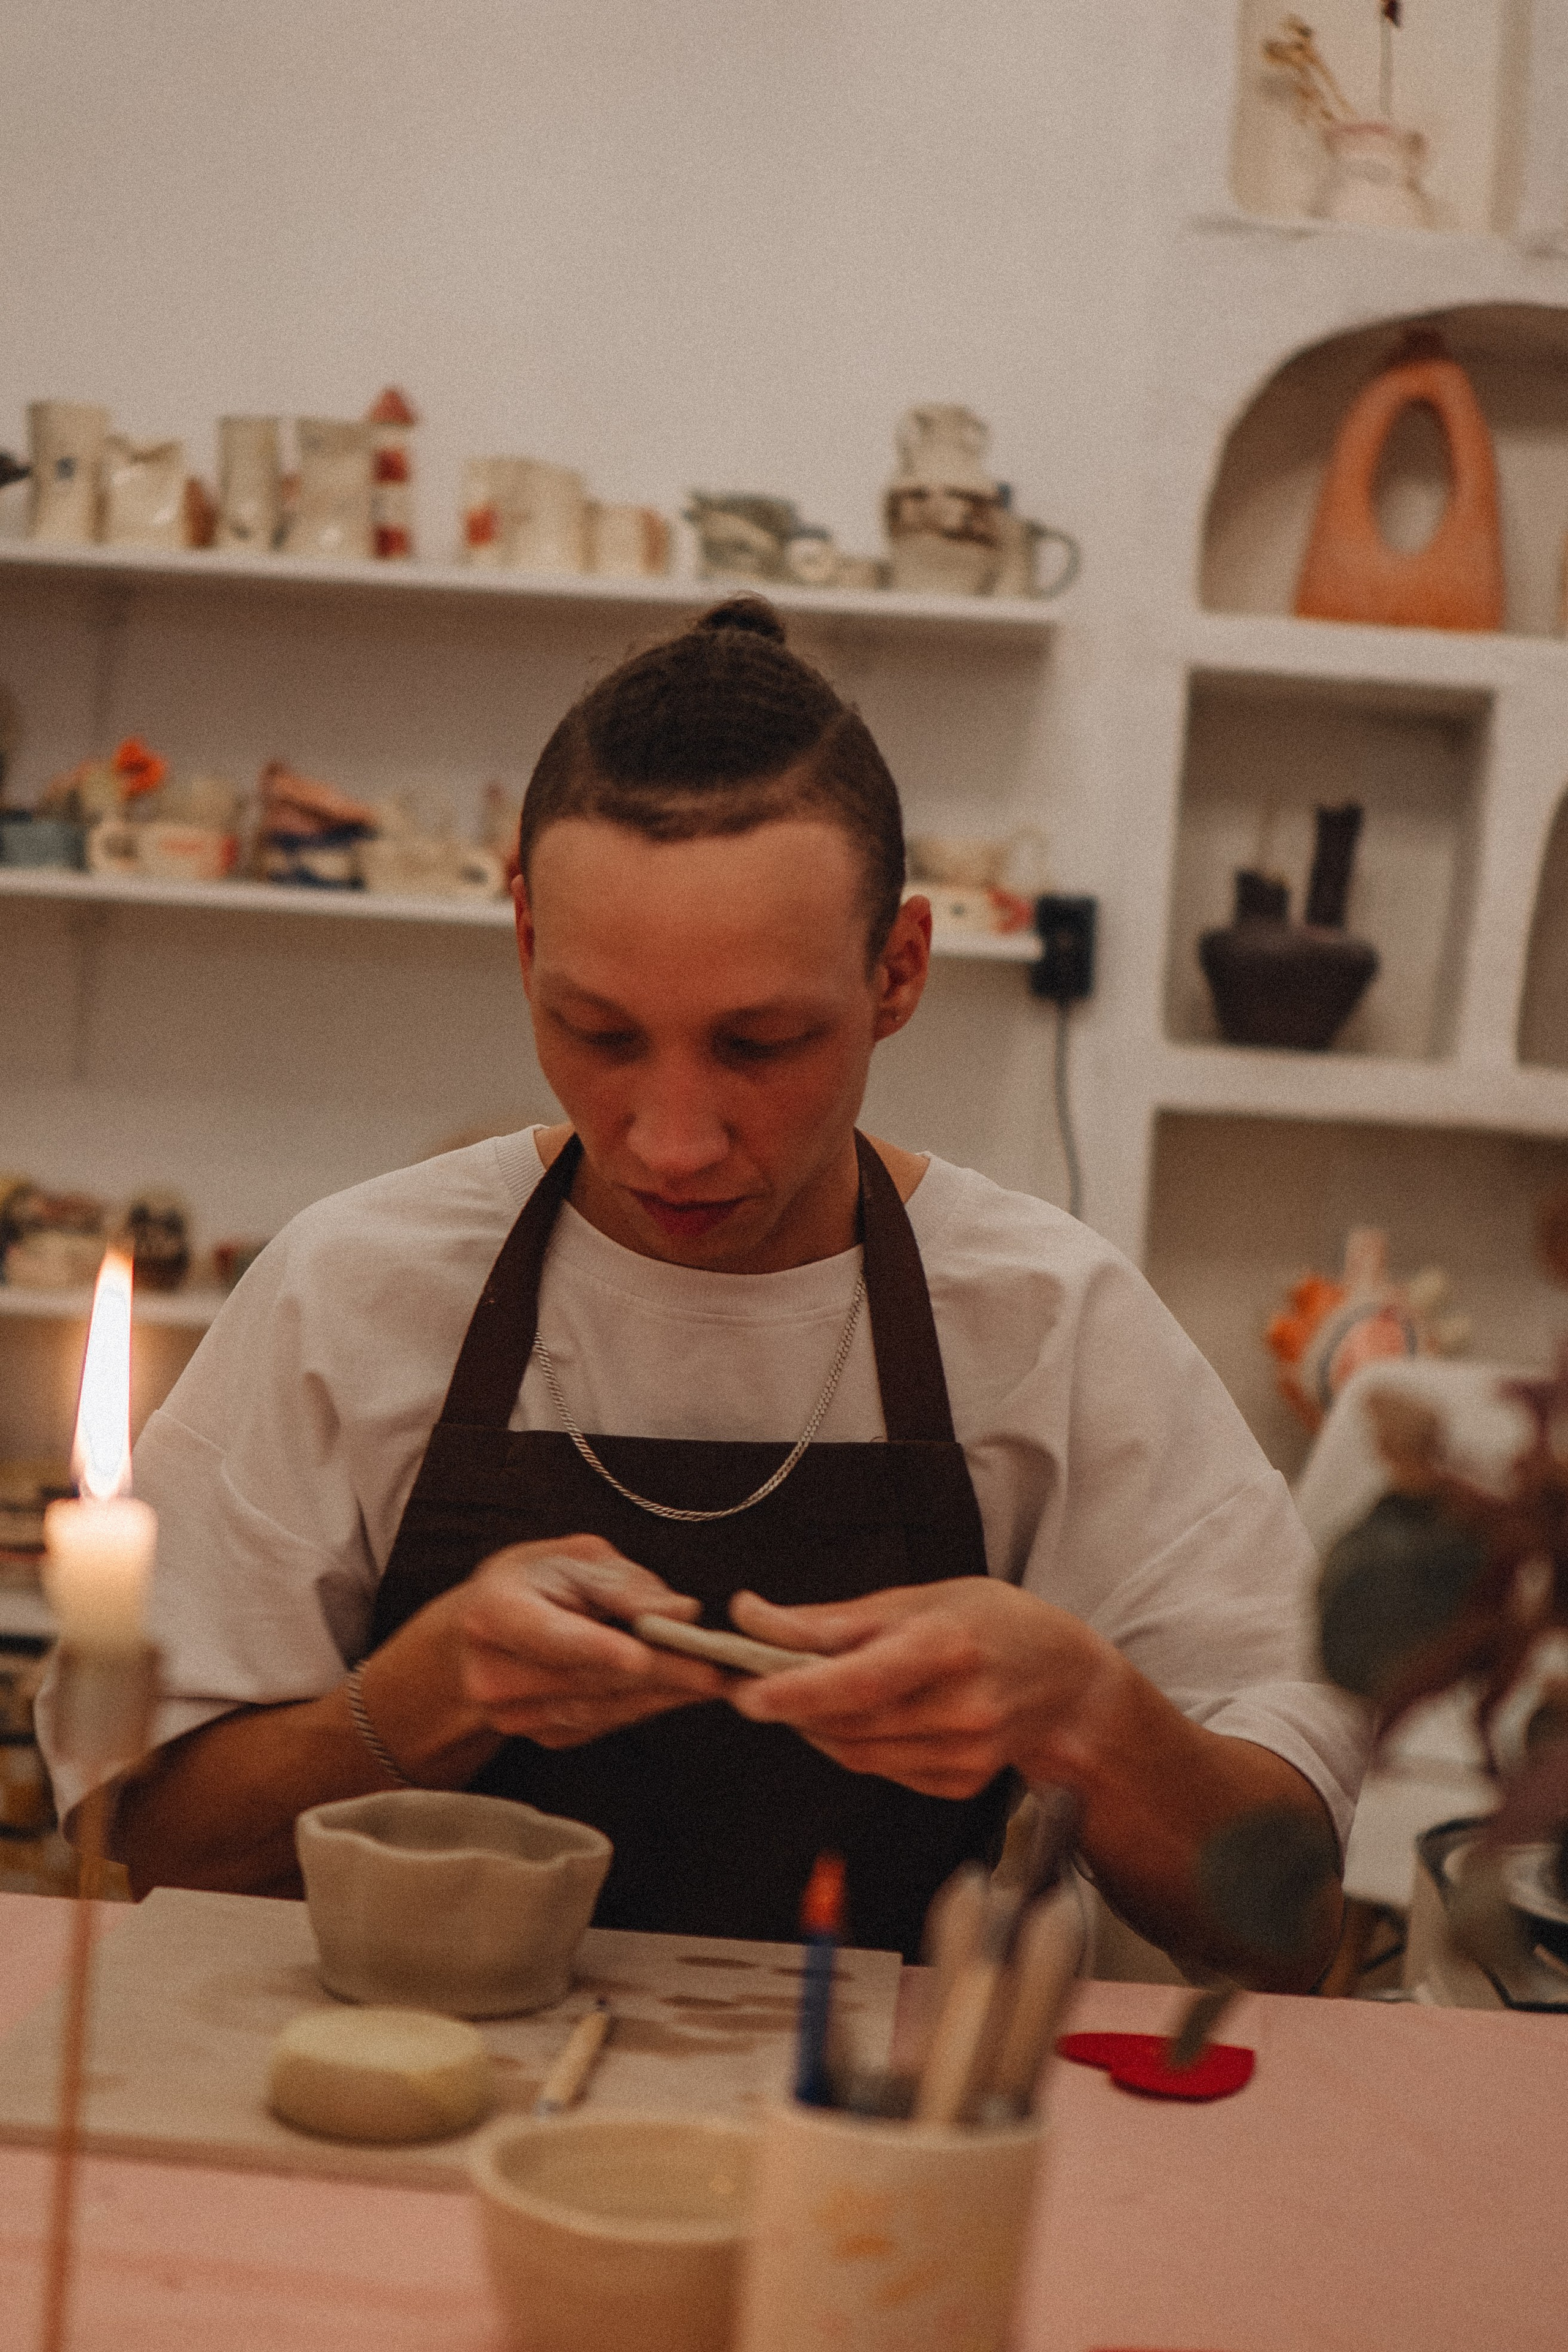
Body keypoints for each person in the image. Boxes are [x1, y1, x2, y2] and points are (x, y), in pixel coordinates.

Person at [41, 598, 1366, 1980]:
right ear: (524, 944)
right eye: (598, 1033)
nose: (672, 1143)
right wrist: (417, 1702)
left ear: (898, 971)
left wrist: (1085, 1714)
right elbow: (155, 1844)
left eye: (761, 1044)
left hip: (884, 2099)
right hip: (420, 2074)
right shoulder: (357, 1292)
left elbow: (1283, 1923)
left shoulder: (1044, 1319)